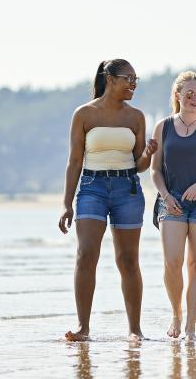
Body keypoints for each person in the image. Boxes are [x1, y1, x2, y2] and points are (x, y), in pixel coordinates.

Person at [58, 59, 157, 342]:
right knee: (86, 254)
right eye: (129, 78)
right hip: (92, 188)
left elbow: (139, 164)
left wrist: (149, 154)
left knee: (128, 260)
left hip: (128, 188)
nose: (133, 84)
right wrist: (67, 203)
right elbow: (74, 160)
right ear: (110, 79)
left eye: (136, 79)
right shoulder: (84, 114)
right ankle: (83, 327)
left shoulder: (136, 116)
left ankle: (135, 329)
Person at [150, 71, 196, 341]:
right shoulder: (163, 126)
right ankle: (176, 314)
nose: (195, 98)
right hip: (171, 202)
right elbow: (155, 170)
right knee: (172, 262)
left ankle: (191, 326)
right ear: (177, 96)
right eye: (190, 94)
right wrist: (165, 194)